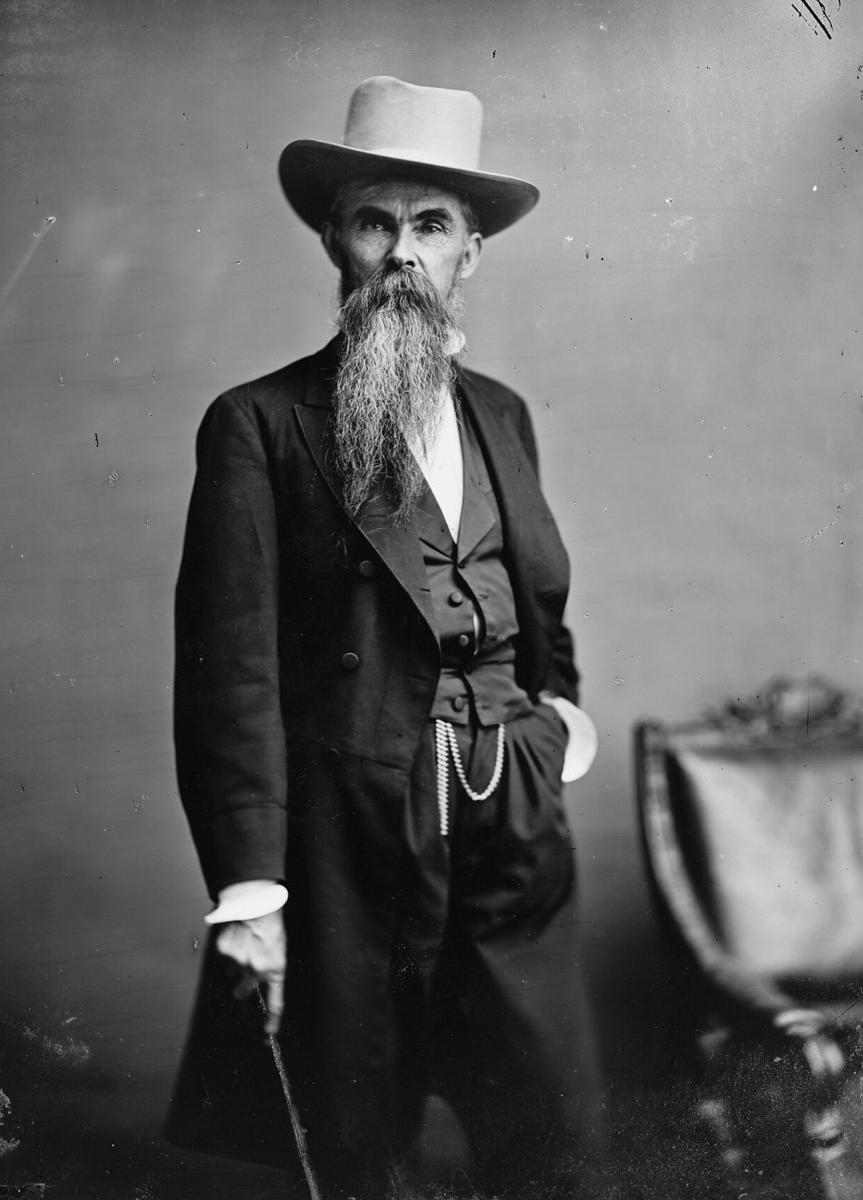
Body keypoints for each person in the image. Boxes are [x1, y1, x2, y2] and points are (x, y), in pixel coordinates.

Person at [165, 76, 602, 1200]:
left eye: (433, 225)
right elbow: (230, 671)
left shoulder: (502, 412)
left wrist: (557, 723)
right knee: (363, 1146)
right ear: (335, 242)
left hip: (513, 817)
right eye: (376, 221)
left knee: (551, 1139)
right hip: (355, 836)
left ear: (471, 253)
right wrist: (251, 890)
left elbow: (538, 598)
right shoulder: (259, 424)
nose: (403, 251)